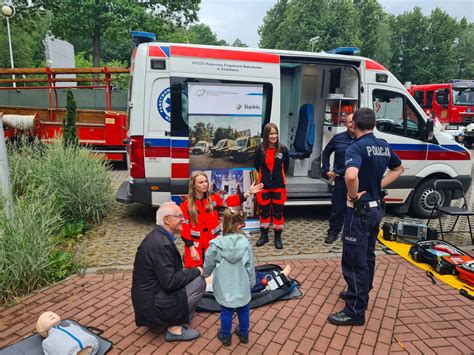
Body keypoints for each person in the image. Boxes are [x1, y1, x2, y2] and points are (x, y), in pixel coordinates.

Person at [328, 108, 404, 326]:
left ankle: (355, 310)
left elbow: (351, 175)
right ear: (374, 124)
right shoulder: (383, 145)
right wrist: (376, 186)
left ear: (355, 124)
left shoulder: (356, 146)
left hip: (359, 211)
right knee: (368, 253)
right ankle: (359, 292)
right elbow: (398, 168)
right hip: (376, 208)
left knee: (353, 259)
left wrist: (353, 196)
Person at [131, 202, 206, 342]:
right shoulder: (161, 244)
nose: (183, 219)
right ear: (166, 219)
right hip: (153, 305)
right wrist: (197, 270)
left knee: (191, 278)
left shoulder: (158, 237)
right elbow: (170, 282)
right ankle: (174, 328)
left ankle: (171, 318)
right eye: (179, 216)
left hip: (150, 299)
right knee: (199, 281)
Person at [180, 171, 263, 268]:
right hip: (195, 246)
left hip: (212, 243)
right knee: (196, 274)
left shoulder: (213, 199)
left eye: (206, 181)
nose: (205, 184)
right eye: (201, 182)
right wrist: (191, 248)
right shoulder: (186, 205)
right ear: (193, 185)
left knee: (214, 271)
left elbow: (230, 201)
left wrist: (248, 193)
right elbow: (184, 228)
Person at [201, 207, 256, 347]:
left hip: (224, 284)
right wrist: (252, 282)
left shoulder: (216, 244)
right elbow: (249, 265)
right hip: (241, 283)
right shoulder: (245, 243)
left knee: (226, 310)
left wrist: (205, 274)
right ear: (239, 225)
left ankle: (225, 336)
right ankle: (244, 334)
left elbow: (208, 263)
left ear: (222, 222)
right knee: (244, 309)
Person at [322, 113, 356, 244]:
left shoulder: (362, 139)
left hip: (358, 181)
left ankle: (352, 233)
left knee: (356, 209)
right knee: (338, 208)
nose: (352, 124)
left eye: (354, 121)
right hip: (341, 180)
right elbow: (326, 152)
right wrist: (326, 170)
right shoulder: (338, 139)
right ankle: (333, 232)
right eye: (349, 122)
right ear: (345, 124)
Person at [254, 123, 289, 249]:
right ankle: (264, 236)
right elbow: (257, 166)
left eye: (275, 133)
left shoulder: (283, 150)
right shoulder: (259, 150)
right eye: (271, 134)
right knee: (264, 212)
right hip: (263, 186)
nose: (274, 136)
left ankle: (278, 238)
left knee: (278, 213)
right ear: (266, 135)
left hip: (279, 186)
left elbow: (286, 167)